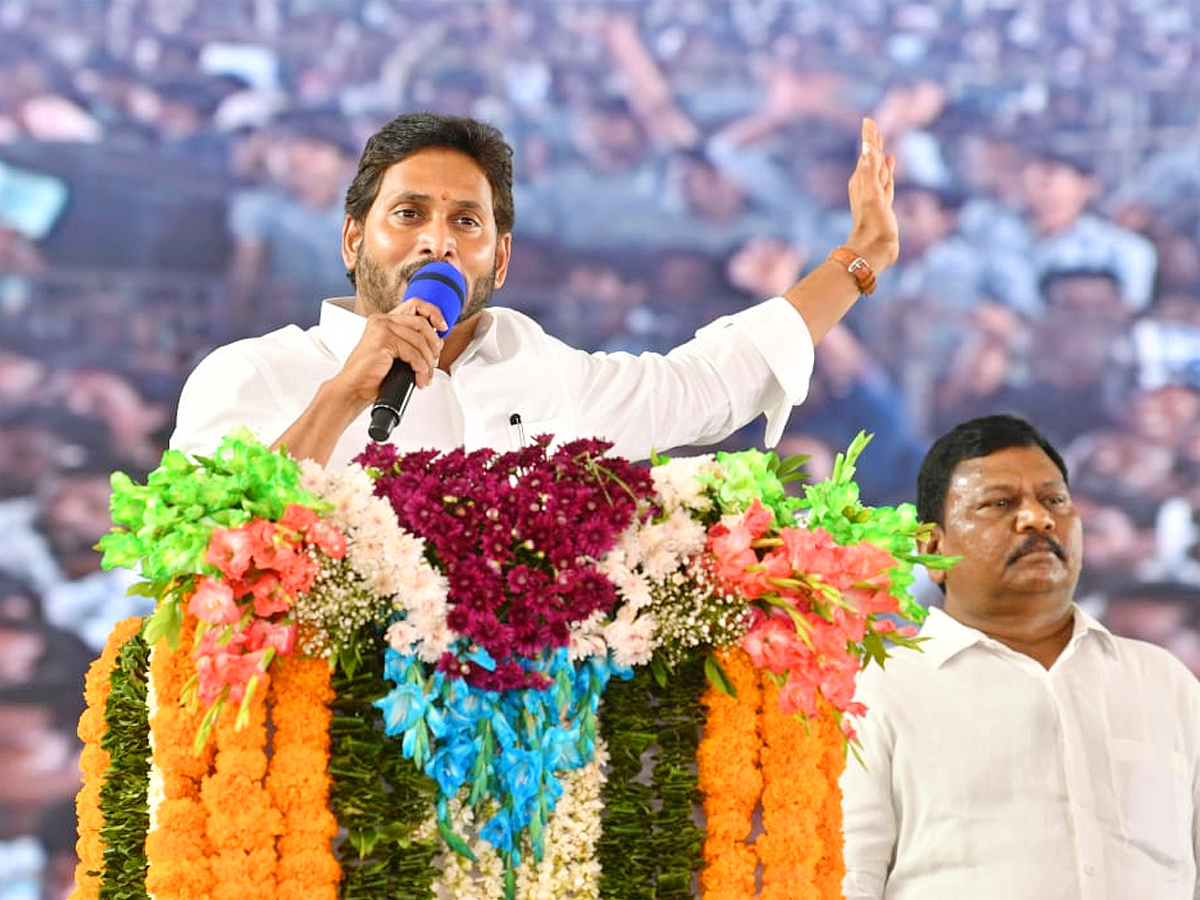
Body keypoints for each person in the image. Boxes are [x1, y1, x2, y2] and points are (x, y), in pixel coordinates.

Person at [170, 110, 898, 467]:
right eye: (408, 214)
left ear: (501, 259)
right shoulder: (251, 375)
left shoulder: (550, 375)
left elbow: (713, 379)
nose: (438, 240)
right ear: (353, 238)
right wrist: (337, 400)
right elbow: (205, 553)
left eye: (467, 221)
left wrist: (858, 260)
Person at [841, 413, 1200, 900]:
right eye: (999, 503)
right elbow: (845, 879)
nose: (1038, 518)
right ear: (931, 546)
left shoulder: (1163, 682)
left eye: (1054, 499)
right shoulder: (878, 688)